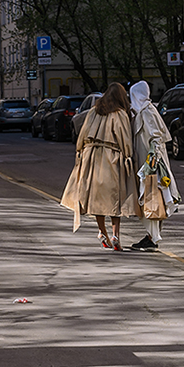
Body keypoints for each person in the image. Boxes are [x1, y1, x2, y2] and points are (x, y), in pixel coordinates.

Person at [60, 82, 140, 251]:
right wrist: (128, 157)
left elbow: (81, 136)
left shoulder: (93, 112)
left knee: (98, 199)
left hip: (91, 157)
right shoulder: (120, 115)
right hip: (111, 157)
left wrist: (81, 152)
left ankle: (102, 232)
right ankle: (116, 235)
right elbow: (125, 140)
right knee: (114, 199)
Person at [129, 80, 180, 251]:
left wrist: (151, 164)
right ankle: (152, 236)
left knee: (151, 197)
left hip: (151, 164)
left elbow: (156, 138)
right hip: (150, 162)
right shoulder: (145, 111)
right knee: (153, 197)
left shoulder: (147, 112)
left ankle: (152, 238)